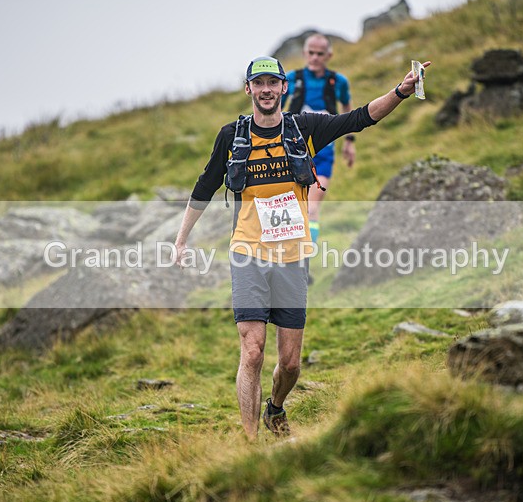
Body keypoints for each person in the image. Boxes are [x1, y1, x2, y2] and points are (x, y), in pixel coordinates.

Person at [174, 55, 431, 440]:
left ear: (283, 88)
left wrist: (400, 91)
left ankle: (274, 407)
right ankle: (249, 444)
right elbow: (205, 185)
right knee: (253, 350)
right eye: (257, 84)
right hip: (248, 253)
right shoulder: (232, 135)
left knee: (290, 364)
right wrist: (181, 239)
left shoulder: (304, 127)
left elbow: (361, 117)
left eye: (271, 83)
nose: (265, 90)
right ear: (248, 90)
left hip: (292, 257)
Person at [282, 33, 355, 253]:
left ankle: (305, 256)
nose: (314, 58)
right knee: (291, 207)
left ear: (329, 55)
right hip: (292, 150)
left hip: (324, 152)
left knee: (311, 207)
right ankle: (288, 251)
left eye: (320, 54)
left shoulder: (338, 82)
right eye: (310, 53)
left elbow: (346, 106)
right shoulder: (292, 79)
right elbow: (275, 108)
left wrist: (349, 141)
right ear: (304, 53)